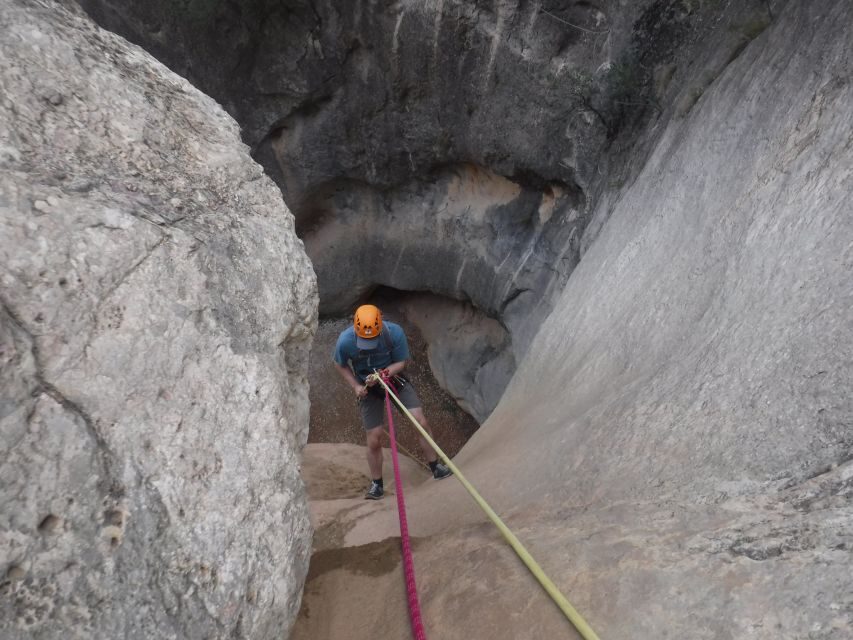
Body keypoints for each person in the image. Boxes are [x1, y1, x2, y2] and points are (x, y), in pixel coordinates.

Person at [333, 304, 453, 499]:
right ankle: (377, 484)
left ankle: (436, 466)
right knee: (375, 437)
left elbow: (402, 362)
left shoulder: (394, 333)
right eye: (364, 339)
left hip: (394, 379)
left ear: (380, 326)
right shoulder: (345, 341)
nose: (368, 341)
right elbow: (340, 364)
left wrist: (384, 373)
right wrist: (356, 386)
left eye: (372, 338)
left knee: (420, 421)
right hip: (368, 387)